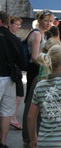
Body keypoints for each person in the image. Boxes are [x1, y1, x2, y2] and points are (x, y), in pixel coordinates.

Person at [22, 9, 54, 147]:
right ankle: (29, 138)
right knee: (32, 105)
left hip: (39, 70)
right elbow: (35, 57)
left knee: (37, 104)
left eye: (51, 21)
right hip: (36, 71)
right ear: (40, 20)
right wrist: (46, 66)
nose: (48, 23)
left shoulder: (43, 34)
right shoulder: (36, 34)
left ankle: (33, 136)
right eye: (46, 20)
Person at [0, 11, 24, 148]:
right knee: (6, 112)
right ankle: (2, 142)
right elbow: (22, 62)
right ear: (7, 22)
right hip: (9, 78)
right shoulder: (14, 39)